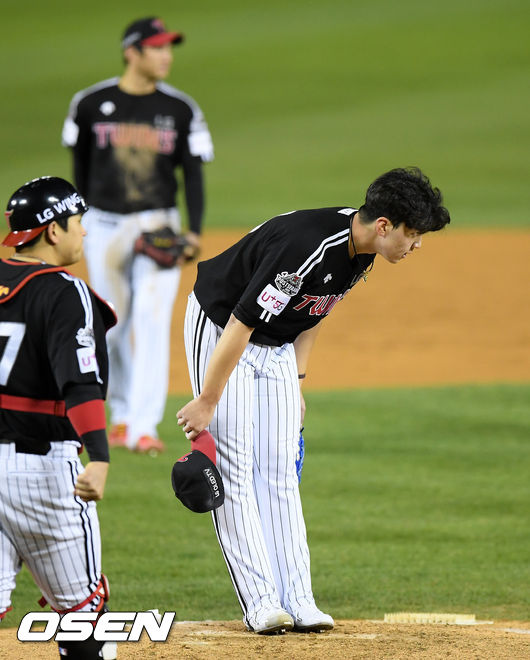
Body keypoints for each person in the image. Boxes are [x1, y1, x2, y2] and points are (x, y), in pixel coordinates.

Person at [176, 167, 451, 634]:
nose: (416, 245)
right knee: (237, 469)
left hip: (277, 342)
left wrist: (296, 383)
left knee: (281, 470)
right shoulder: (305, 249)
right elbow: (241, 324)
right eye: (413, 234)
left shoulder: (361, 251)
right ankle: (261, 603)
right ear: (384, 225)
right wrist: (207, 399)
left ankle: (299, 601)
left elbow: (314, 311)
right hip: (223, 329)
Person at [62, 17, 214, 454]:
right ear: (132, 51)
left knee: (149, 316)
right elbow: (80, 172)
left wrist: (195, 229)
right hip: (104, 226)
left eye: (169, 48)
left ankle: (144, 425)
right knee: (112, 318)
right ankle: (123, 414)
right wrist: (79, 223)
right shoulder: (90, 104)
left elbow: (194, 176)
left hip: (158, 226)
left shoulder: (182, 109)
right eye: (158, 47)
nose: (166, 56)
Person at [0, 176, 118, 659]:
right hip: (43, 476)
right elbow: (80, 384)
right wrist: (101, 455)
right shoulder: (65, 293)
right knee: (83, 618)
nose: (83, 233)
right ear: (52, 231)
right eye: (77, 223)